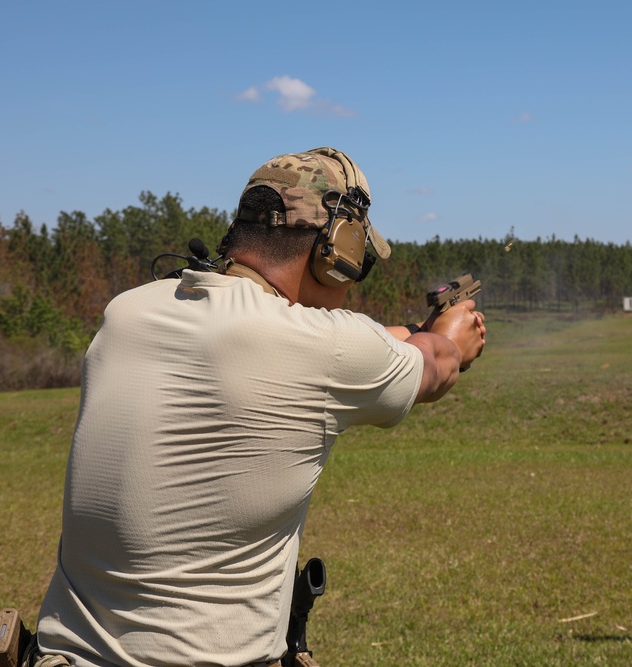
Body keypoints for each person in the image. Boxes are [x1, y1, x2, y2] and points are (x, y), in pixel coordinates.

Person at [32, 148, 486, 667]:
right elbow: (439, 363)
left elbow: (296, 340)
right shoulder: (324, 348)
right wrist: (449, 335)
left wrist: (411, 332)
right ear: (336, 250)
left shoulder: (127, 313)